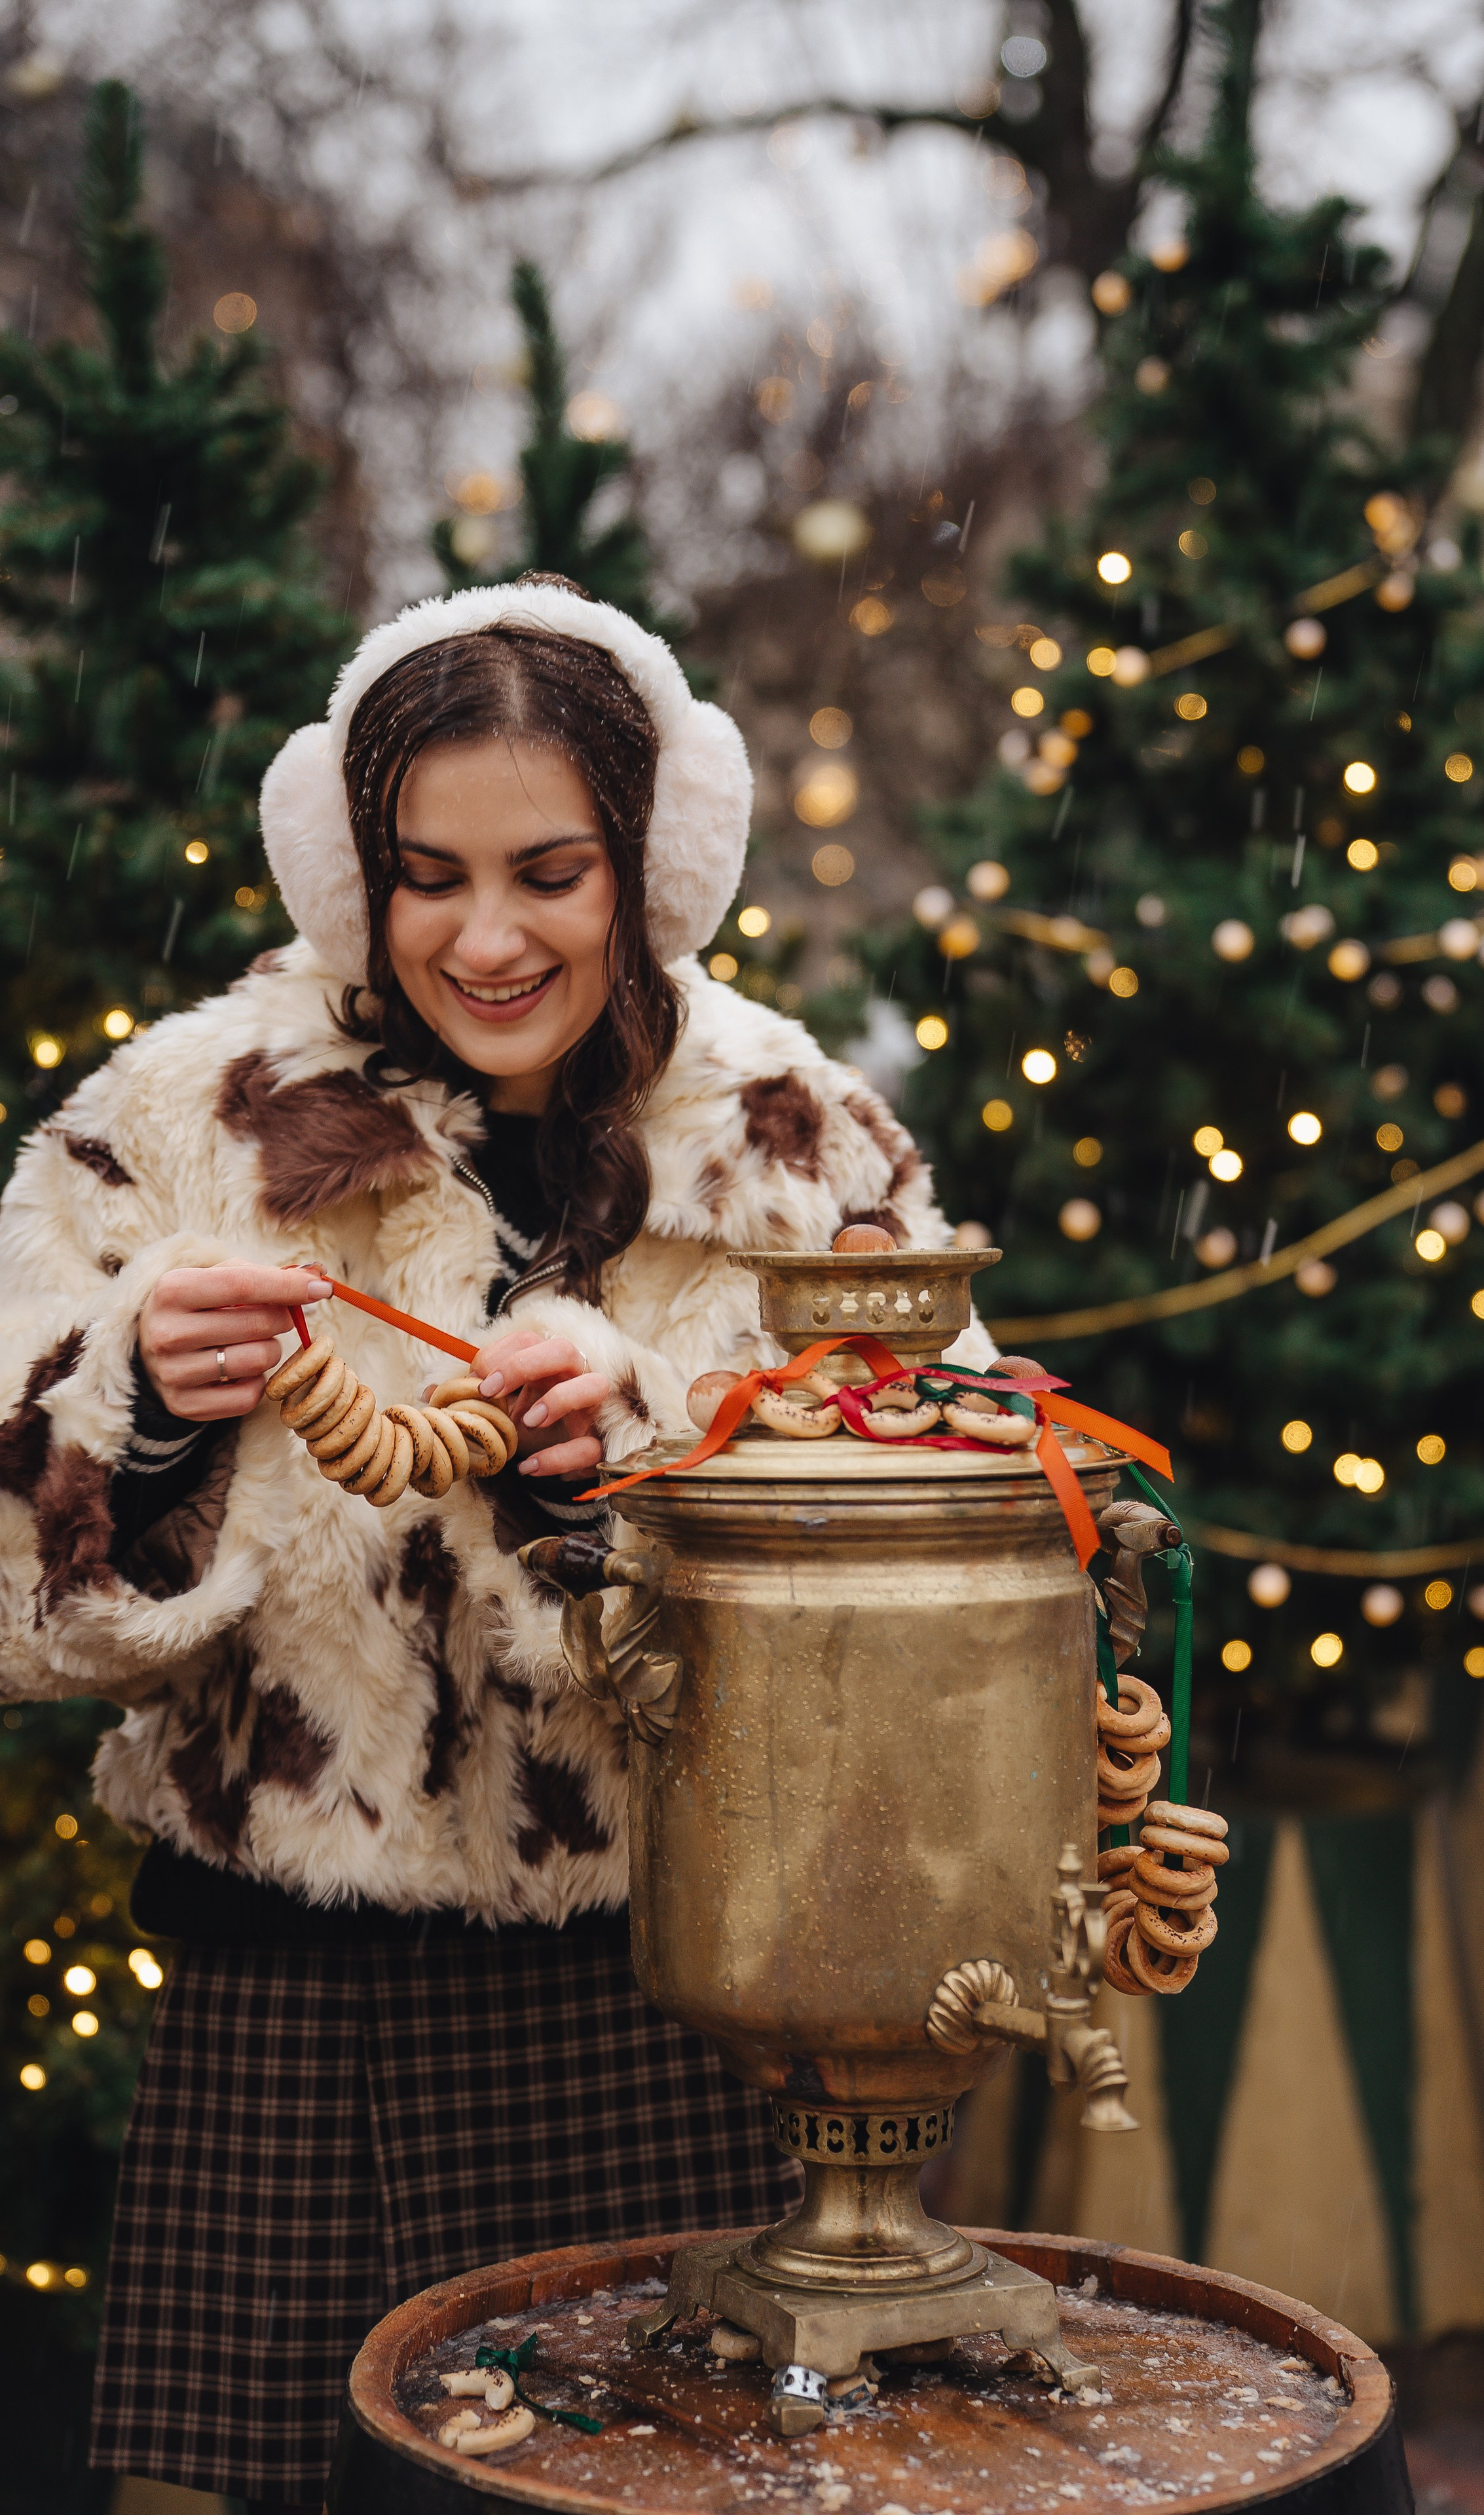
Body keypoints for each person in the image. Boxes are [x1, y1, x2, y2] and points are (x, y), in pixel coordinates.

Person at [0, 576, 992, 2511]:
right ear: (343, 866)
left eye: (549, 871)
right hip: (300, 2016)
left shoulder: (803, 1150)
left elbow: (946, 1553)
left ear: (654, 861)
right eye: (424, 874)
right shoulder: (183, 1125)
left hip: (688, 2001)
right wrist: (138, 1402)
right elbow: (13, 1598)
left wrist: (638, 1454)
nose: (485, 935)